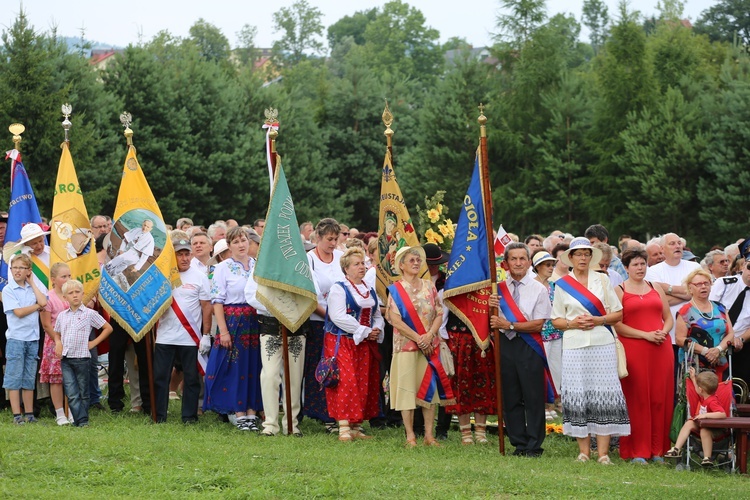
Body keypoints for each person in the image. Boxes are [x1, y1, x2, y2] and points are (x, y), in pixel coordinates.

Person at [551, 237, 629, 464]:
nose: (583, 258)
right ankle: (584, 451)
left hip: (601, 342)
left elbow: (618, 314)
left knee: (603, 394)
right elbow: (556, 320)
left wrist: (598, 319)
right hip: (574, 344)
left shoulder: (603, 281)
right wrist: (573, 323)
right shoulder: (562, 284)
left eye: (586, 254)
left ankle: (603, 454)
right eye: (579, 254)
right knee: (578, 394)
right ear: (571, 258)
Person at [386, 246, 455, 448]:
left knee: (430, 392)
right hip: (406, 346)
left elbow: (439, 313)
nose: (416, 263)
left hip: (428, 347)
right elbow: (395, 320)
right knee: (407, 389)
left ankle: (429, 435)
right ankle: (410, 436)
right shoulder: (396, 290)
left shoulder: (429, 286)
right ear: (401, 265)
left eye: (418, 260)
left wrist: (430, 335)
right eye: (411, 260)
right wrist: (419, 337)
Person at [489, 243, 551, 456]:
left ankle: (534, 445)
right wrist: (489, 306)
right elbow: (489, 321)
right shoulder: (496, 289)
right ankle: (518, 443)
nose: (517, 263)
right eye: (513, 259)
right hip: (505, 345)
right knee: (510, 396)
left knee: (533, 397)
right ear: (506, 263)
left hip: (529, 346)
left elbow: (538, 324)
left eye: (522, 259)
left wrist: (509, 325)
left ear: (529, 262)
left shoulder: (539, 289)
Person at [614, 248, 674, 463]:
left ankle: (658, 450)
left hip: (661, 347)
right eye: (635, 265)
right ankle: (637, 450)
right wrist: (645, 336)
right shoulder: (619, 290)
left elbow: (668, 318)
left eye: (643, 264)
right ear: (626, 267)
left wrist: (663, 333)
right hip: (634, 349)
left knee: (660, 398)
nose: (640, 268)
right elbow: (618, 325)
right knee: (637, 399)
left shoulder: (655, 287)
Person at [204, 227, 263, 431]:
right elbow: (217, 301)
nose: (241, 244)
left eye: (244, 240)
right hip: (233, 321)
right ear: (229, 246)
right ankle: (239, 413)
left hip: (255, 321)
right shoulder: (223, 268)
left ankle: (252, 412)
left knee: (254, 365)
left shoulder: (258, 265)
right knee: (235, 367)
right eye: (236, 241)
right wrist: (224, 331)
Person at [324, 247, 384, 441]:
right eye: (357, 264)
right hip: (341, 340)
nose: (362, 267)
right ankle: (343, 427)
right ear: (346, 268)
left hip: (363, 342)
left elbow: (376, 314)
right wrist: (364, 330)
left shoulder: (369, 288)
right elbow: (338, 316)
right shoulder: (339, 288)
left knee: (362, 381)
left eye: (363, 264)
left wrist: (376, 329)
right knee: (346, 381)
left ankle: (356, 426)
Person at [245, 266, 311, 437]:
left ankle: (292, 424)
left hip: (295, 326)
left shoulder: (300, 265)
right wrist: (276, 307)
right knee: (269, 375)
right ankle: (270, 424)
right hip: (270, 325)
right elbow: (251, 295)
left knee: (294, 377)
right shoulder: (260, 267)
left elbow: (312, 292)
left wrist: (289, 307)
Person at [154, 238, 211, 424]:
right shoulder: (163, 275)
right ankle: (159, 415)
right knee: (161, 377)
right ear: (174, 256)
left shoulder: (200, 276)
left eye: (187, 254)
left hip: (190, 338)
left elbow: (206, 307)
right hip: (165, 336)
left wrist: (206, 335)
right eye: (180, 254)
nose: (184, 258)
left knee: (192, 379)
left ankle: (189, 416)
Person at [303, 218, 345, 431]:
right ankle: (323, 414)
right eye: (329, 239)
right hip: (319, 322)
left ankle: (340, 411)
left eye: (336, 239)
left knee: (341, 368)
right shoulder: (309, 259)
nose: (333, 243)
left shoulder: (341, 257)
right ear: (318, 238)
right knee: (321, 368)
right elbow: (311, 296)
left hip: (343, 323)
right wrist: (332, 317)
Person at [54, 279, 112, 427]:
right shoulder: (62, 316)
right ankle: (80, 420)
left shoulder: (89, 314)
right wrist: (58, 343)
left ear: (82, 294)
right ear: (65, 297)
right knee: (71, 391)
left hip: (82, 358)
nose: (74, 295)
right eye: (70, 293)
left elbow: (108, 328)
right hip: (66, 359)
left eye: (77, 292)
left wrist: (93, 343)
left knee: (83, 392)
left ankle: (82, 420)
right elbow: (57, 333)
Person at [2, 254, 47, 424]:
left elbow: (44, 300)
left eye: (22, 268)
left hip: (32, 338)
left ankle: (29, 413)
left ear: (29, 271)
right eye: (15, 268)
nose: (17, 271)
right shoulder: (9, 290)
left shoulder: (32, 288)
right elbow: (19, 312)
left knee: (29, 376)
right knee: (14, 377)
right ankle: (16, 415)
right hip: (16, 338)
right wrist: (37, 306)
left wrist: (33, 283)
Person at [675, 269, 737, 381]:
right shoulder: (685, 311)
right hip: (695, 367)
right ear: (690, 288)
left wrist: (718, 349)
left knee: (722, 396)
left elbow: (730, 333)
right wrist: (706, 351)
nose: (703, 287)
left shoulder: (720, 308)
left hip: (720, 363)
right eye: (698, 284)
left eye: (706, 283)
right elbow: (680, 339)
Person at [665, 369, 726, 466]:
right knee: (689, 423)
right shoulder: (704, 396)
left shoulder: (712, 401)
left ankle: (707, 458)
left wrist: (706, 415)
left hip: (714, 429)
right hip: (701, 424)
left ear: (702, 390)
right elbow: (698, 390)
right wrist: (693, 378)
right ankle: (676, 449)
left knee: (704, 431)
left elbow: (722, 414)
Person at [39, 263, 74, 425]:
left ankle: (72, 410)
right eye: (63, 277)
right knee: (56, 379)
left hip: (72, 342)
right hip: (55, 343)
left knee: (72, 377)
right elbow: (46, 324)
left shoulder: (72, 294)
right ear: (53, 280)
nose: (67, 279)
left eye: (69, 276)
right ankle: (60, 413)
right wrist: (59, 341)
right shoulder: (49, 298)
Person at [710, 253, 750, 385]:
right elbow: (710, 311)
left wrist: (740, 339)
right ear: (743, 266)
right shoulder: (724, 283)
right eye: (749, 267)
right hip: (716, 340)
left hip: (741, 344)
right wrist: (726, 339)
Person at [532, 250, 562, 420]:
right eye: (547, 265)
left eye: (552, 265)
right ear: (538, 267)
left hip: (556, 334)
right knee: (540, 370)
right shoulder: (531, 285)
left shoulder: (554, 286)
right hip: (538, 335)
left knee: (555, 370)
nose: (551, 268)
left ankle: (552, 403)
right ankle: (542, 404)